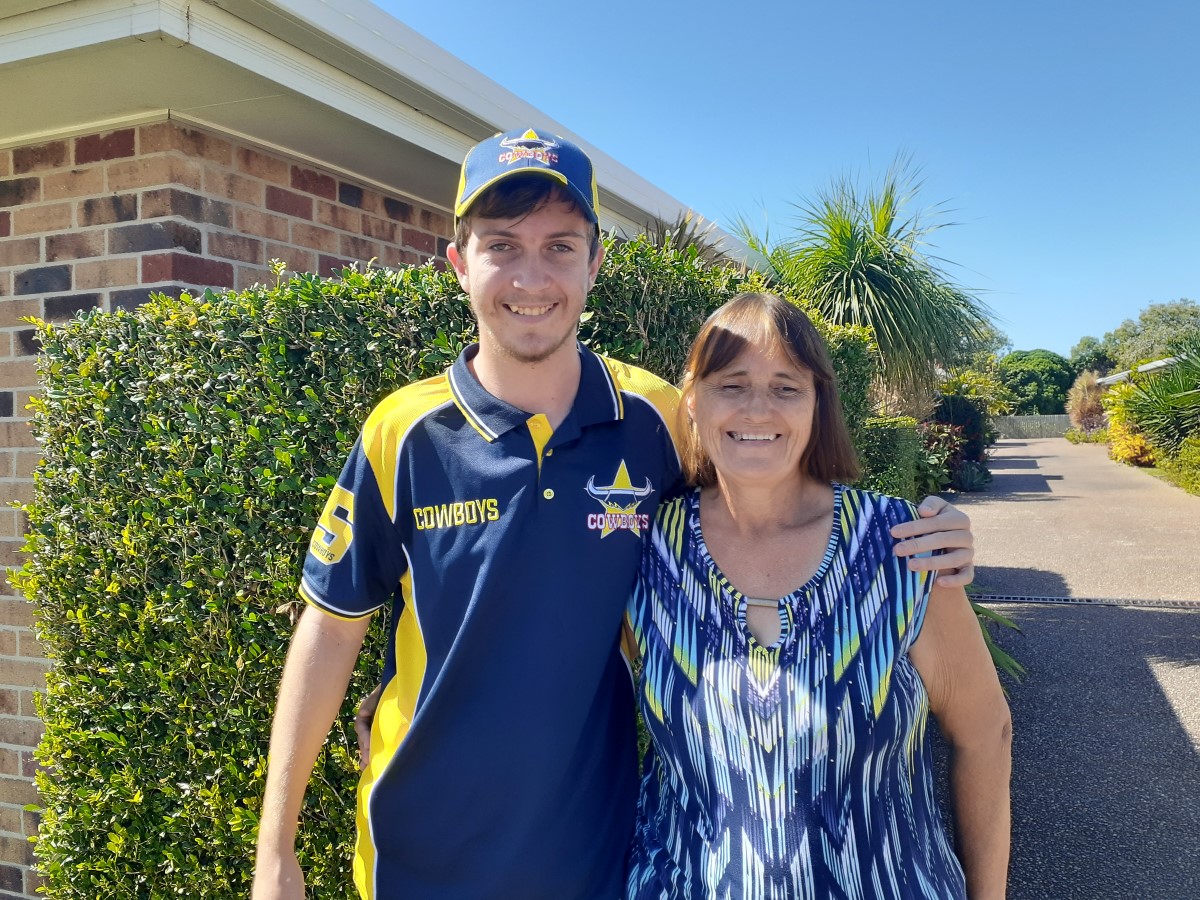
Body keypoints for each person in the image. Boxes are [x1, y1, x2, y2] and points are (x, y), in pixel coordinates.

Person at [252, 128, 978, 900]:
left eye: (561, 246)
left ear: (596, 262)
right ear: (459, 263)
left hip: (597, 857)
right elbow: (331, 627)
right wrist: (276, 851)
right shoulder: (401, 432)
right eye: (502, 245)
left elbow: (766, 503)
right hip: (417, 856)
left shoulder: (656, 417)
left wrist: (924, 533)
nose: (533, 276)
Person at [624, 292, 1012, 900]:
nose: (758, 409)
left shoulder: (898, 547)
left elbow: (985, 733)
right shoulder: (646, 547)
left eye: (786, 387)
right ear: (692, 403)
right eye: (732, 384)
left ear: (817, 407)